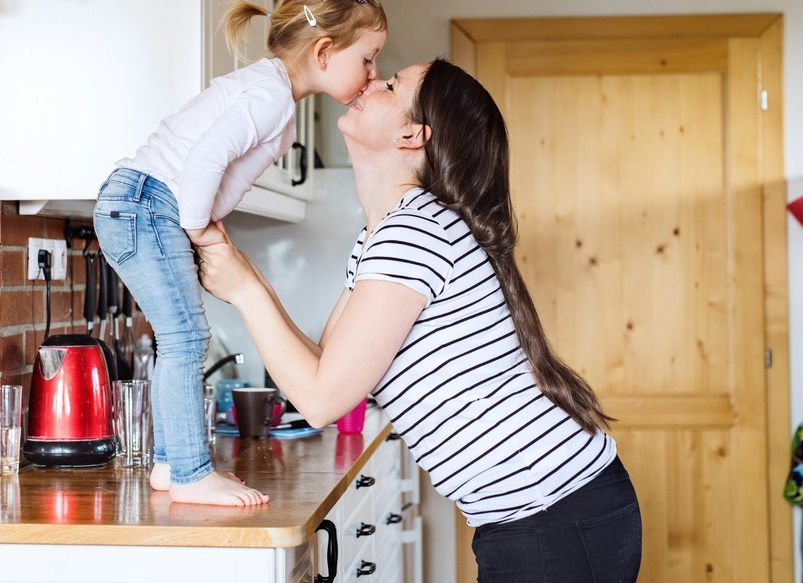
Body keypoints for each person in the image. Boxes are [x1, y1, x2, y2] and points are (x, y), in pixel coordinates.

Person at [198, 59, 643, 578]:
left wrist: (247, 290)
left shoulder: (414, 233)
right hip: (552, 514)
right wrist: (246, 281)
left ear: (412, 134)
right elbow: (325, 369)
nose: (369, 81)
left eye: (390, 85)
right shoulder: (383, 235)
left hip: (553, 517)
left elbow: (321, 401)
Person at [93, 0, 388, 507]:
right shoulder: (270, 96)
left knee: (179, 337)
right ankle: (188, 472)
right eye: (367, 59)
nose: (373, 72)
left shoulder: (274, 93)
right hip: (144, 203)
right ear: (324, 52)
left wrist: (201, 220)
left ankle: (172, 465)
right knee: (184, 338)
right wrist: (199, 225)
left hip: (143, 202)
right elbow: (205, 158)